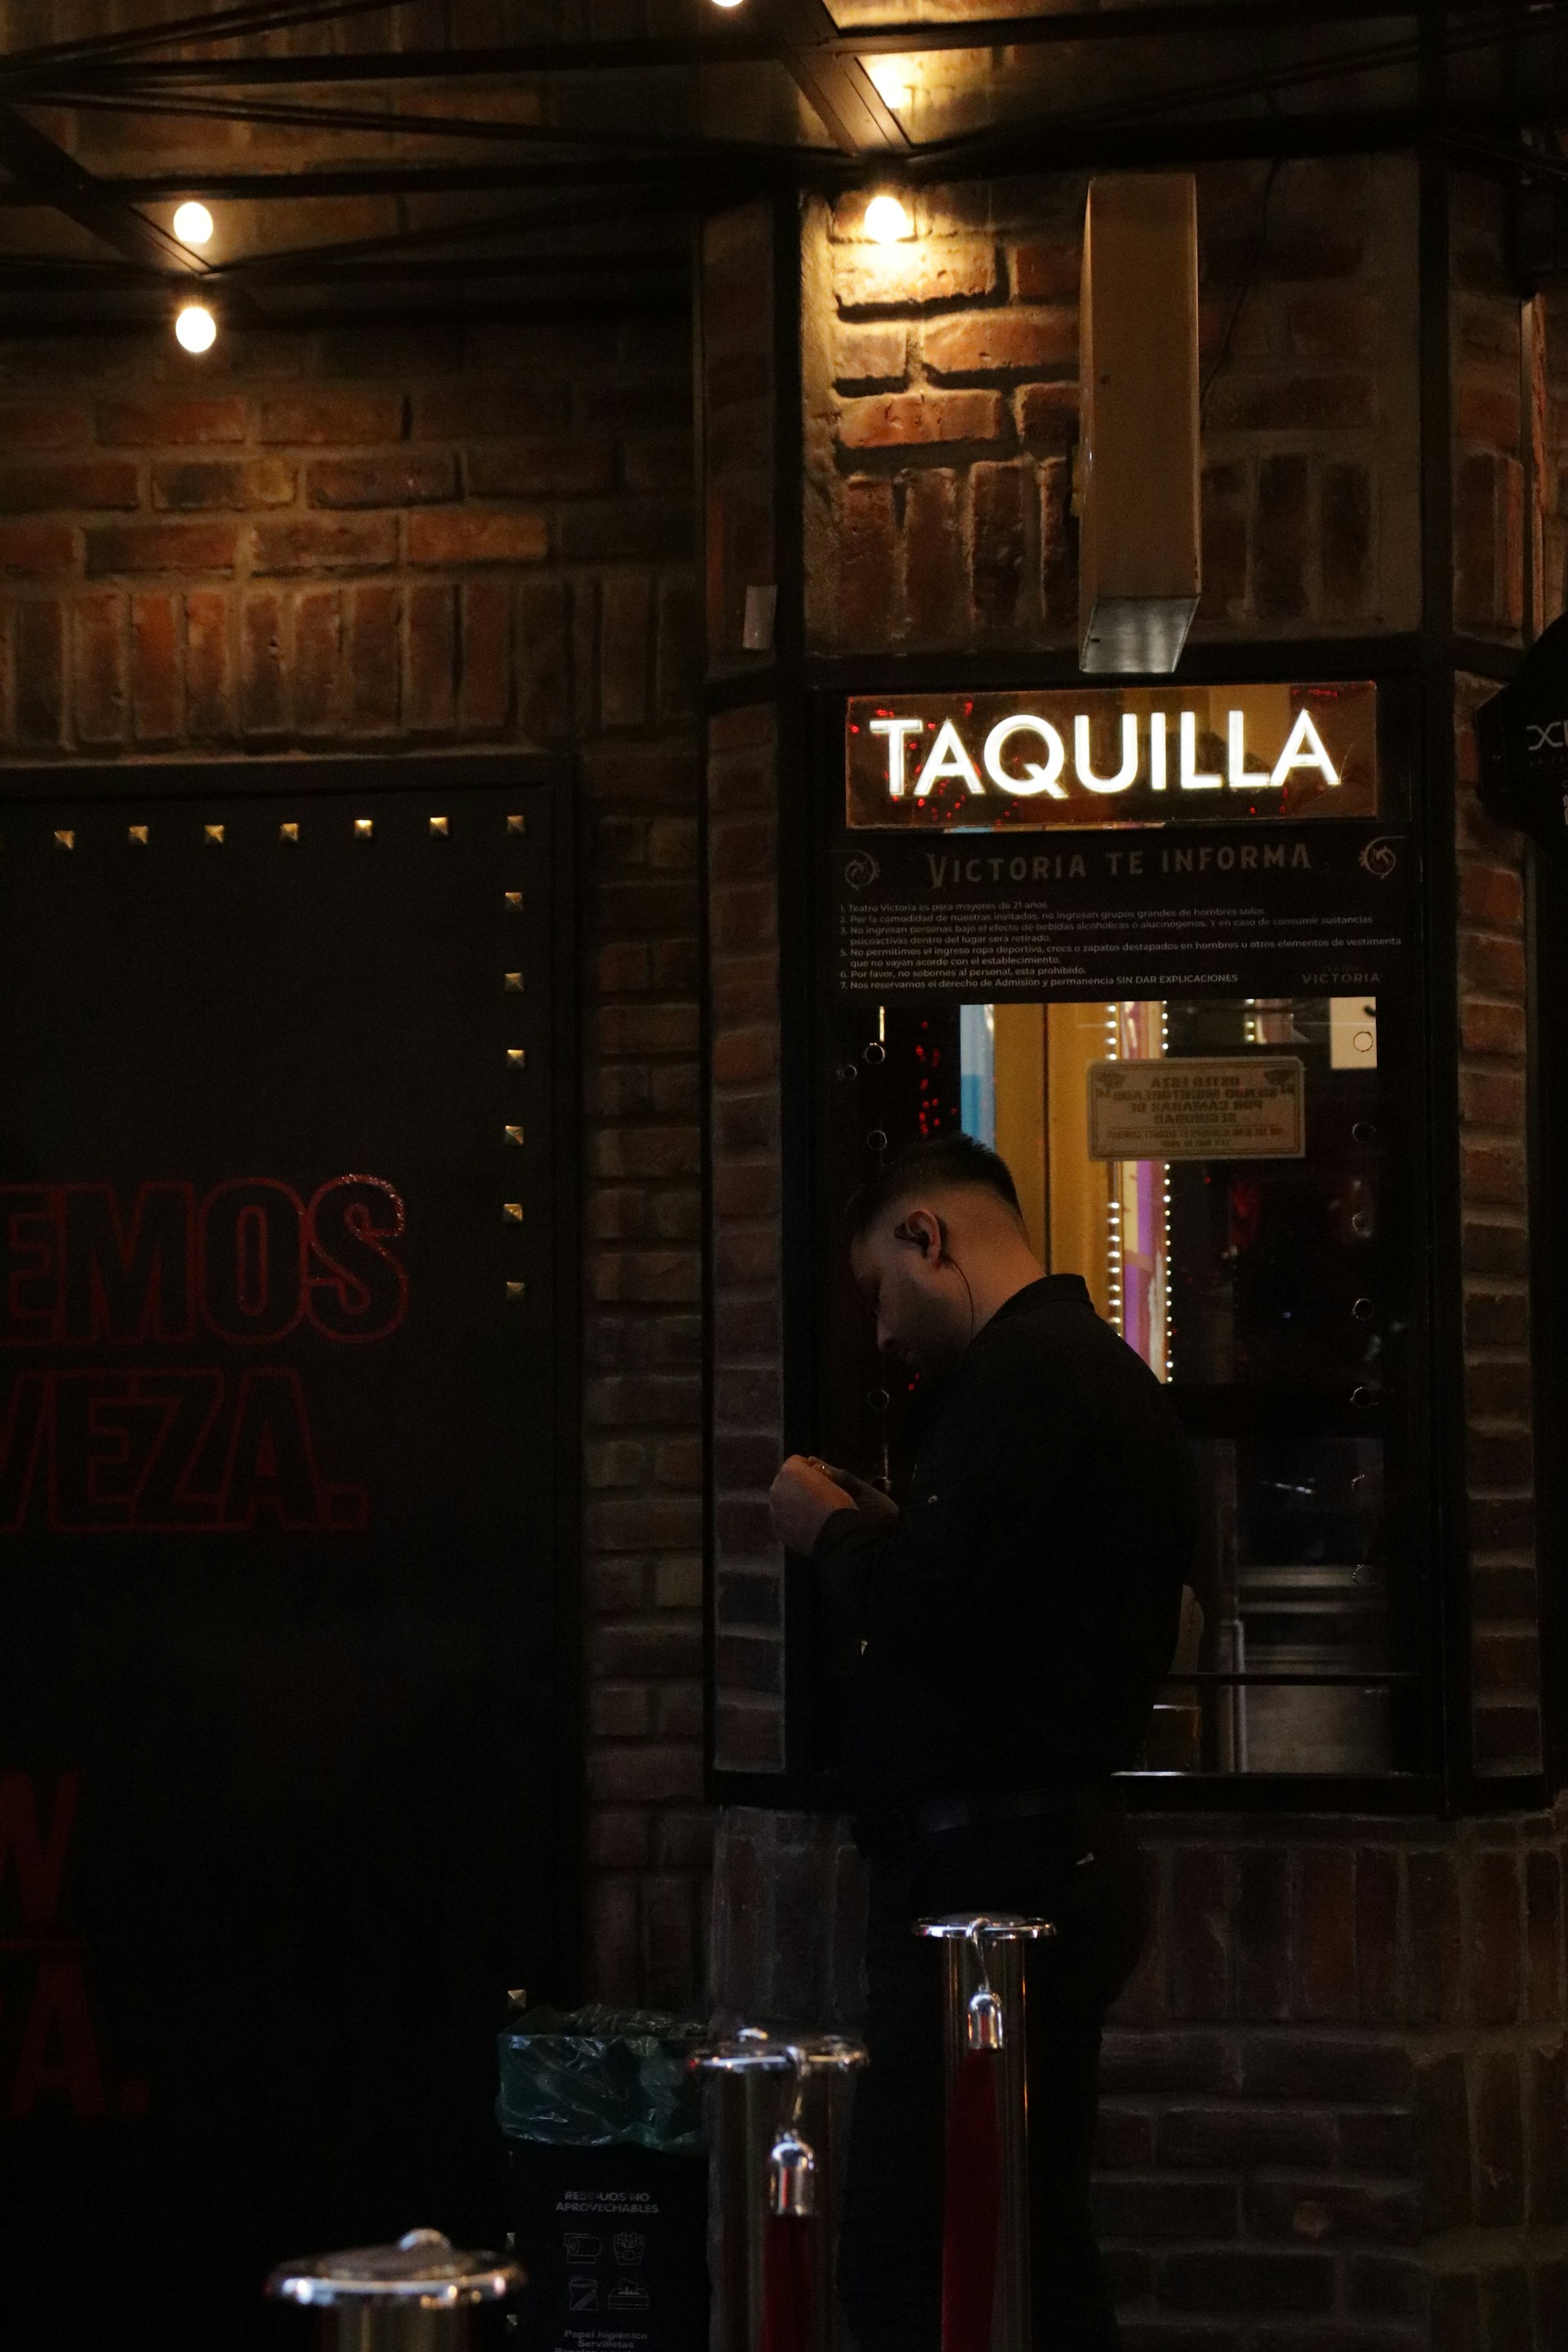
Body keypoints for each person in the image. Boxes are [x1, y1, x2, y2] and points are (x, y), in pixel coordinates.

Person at [768, 1132, 1196, 2352]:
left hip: (989, 1877)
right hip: (1038, 1859)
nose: (882, 1331)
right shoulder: (1099, 1376)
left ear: (928, 1238)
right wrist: (904, 1532)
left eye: (878, 1291)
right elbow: (1015, 1601)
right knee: (1027, 2242)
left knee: (912, 2253)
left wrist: (831, 1534)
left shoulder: (1024, 1378)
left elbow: (931, 1612)